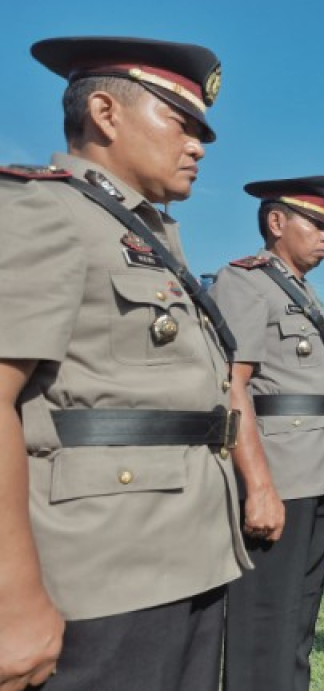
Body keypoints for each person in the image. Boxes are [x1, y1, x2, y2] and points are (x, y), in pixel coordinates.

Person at [0, 36, 246, 691]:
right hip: (101, 573)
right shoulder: (42, 212)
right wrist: (13, 601)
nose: (198, 146)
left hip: (189, 553)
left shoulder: (145, 235)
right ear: (105, 113)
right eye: (183, 123)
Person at [210, 177, 324, 690]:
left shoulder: (300, 290)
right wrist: (260, 488)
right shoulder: (246, 281)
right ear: (276, 223)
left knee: (298, 622)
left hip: (318, 474)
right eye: (315, 223)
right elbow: (233, 386)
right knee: (266, 624)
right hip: (280, 479)